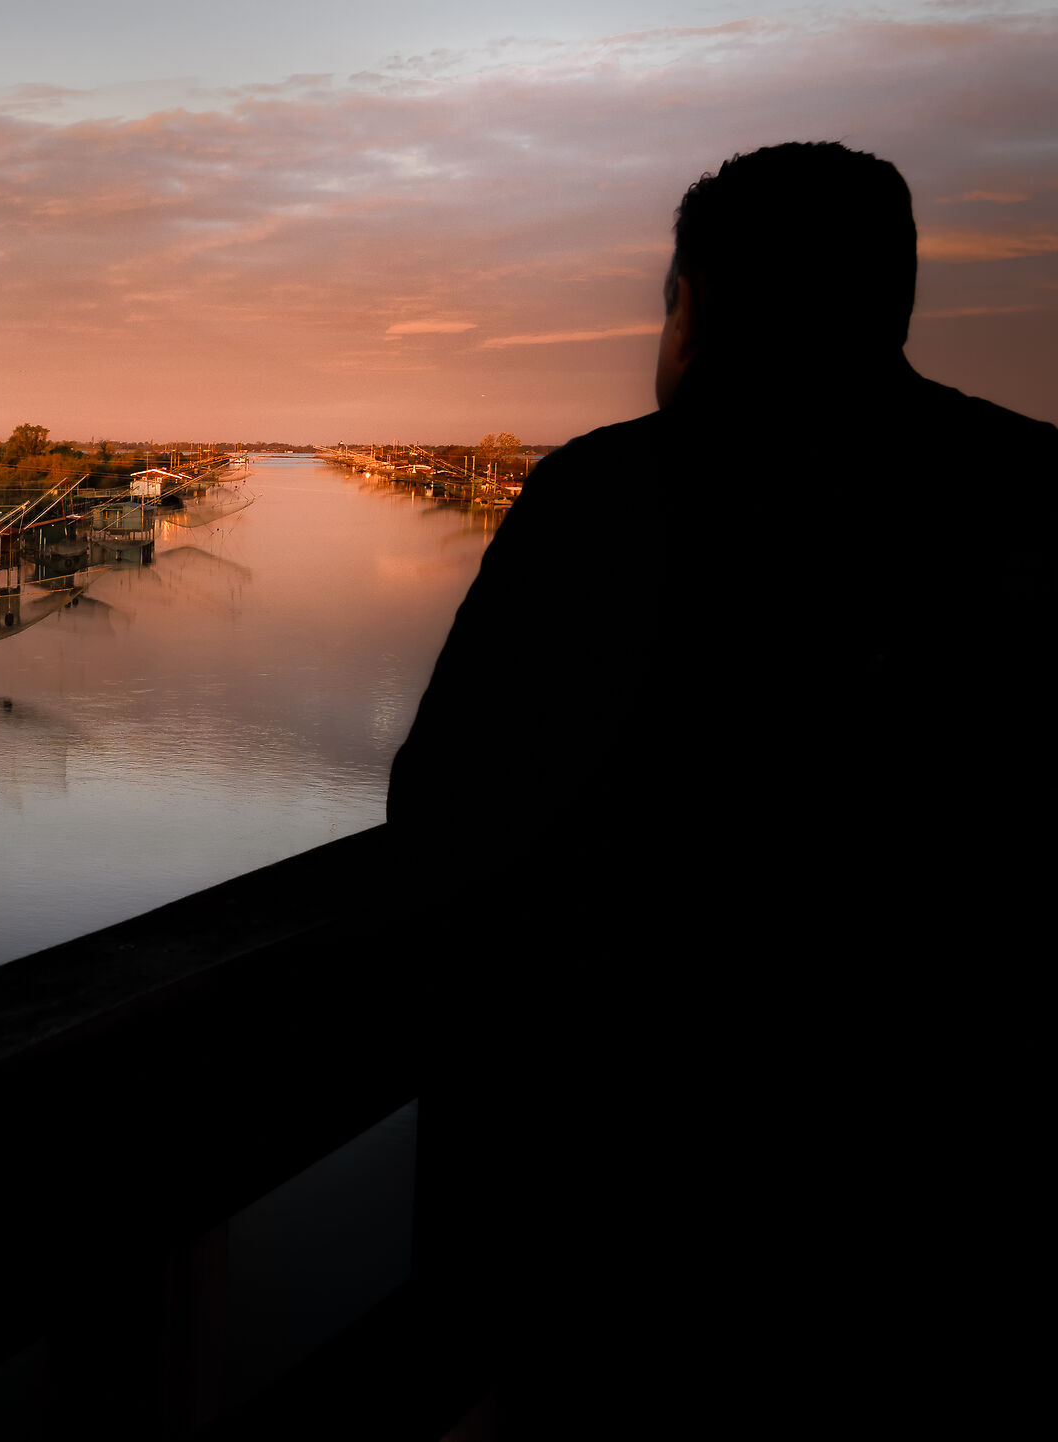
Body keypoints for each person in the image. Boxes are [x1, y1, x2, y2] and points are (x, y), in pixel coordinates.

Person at [390, 143, 1052, 1438]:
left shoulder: (610, 495)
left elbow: (445, 815)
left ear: (692, 305)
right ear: (896, 301)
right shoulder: (1029, 492)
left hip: (649, 1195)